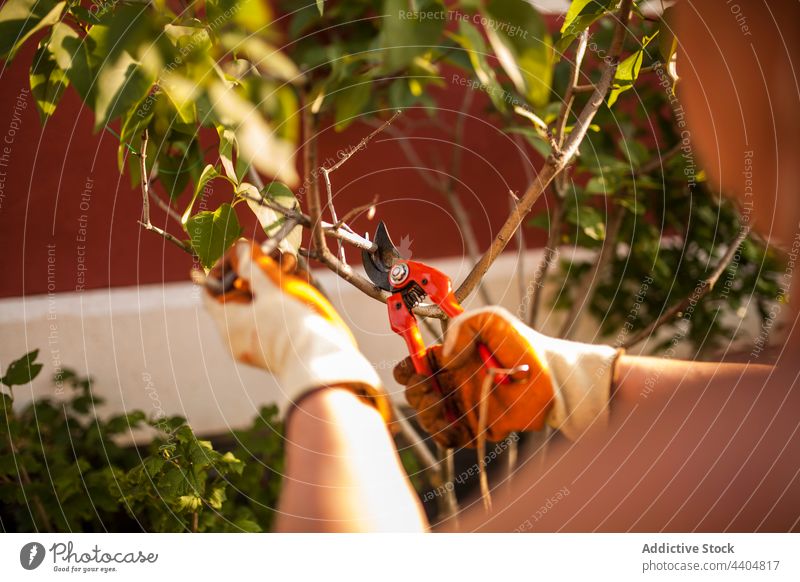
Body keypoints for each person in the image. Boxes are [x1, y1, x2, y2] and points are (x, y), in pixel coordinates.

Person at [202, 0, 800, 532]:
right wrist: (589, 381)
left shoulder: (759, 461)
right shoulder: (771, 435)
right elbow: (771, 404)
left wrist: (317, 365)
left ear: (772, 67)